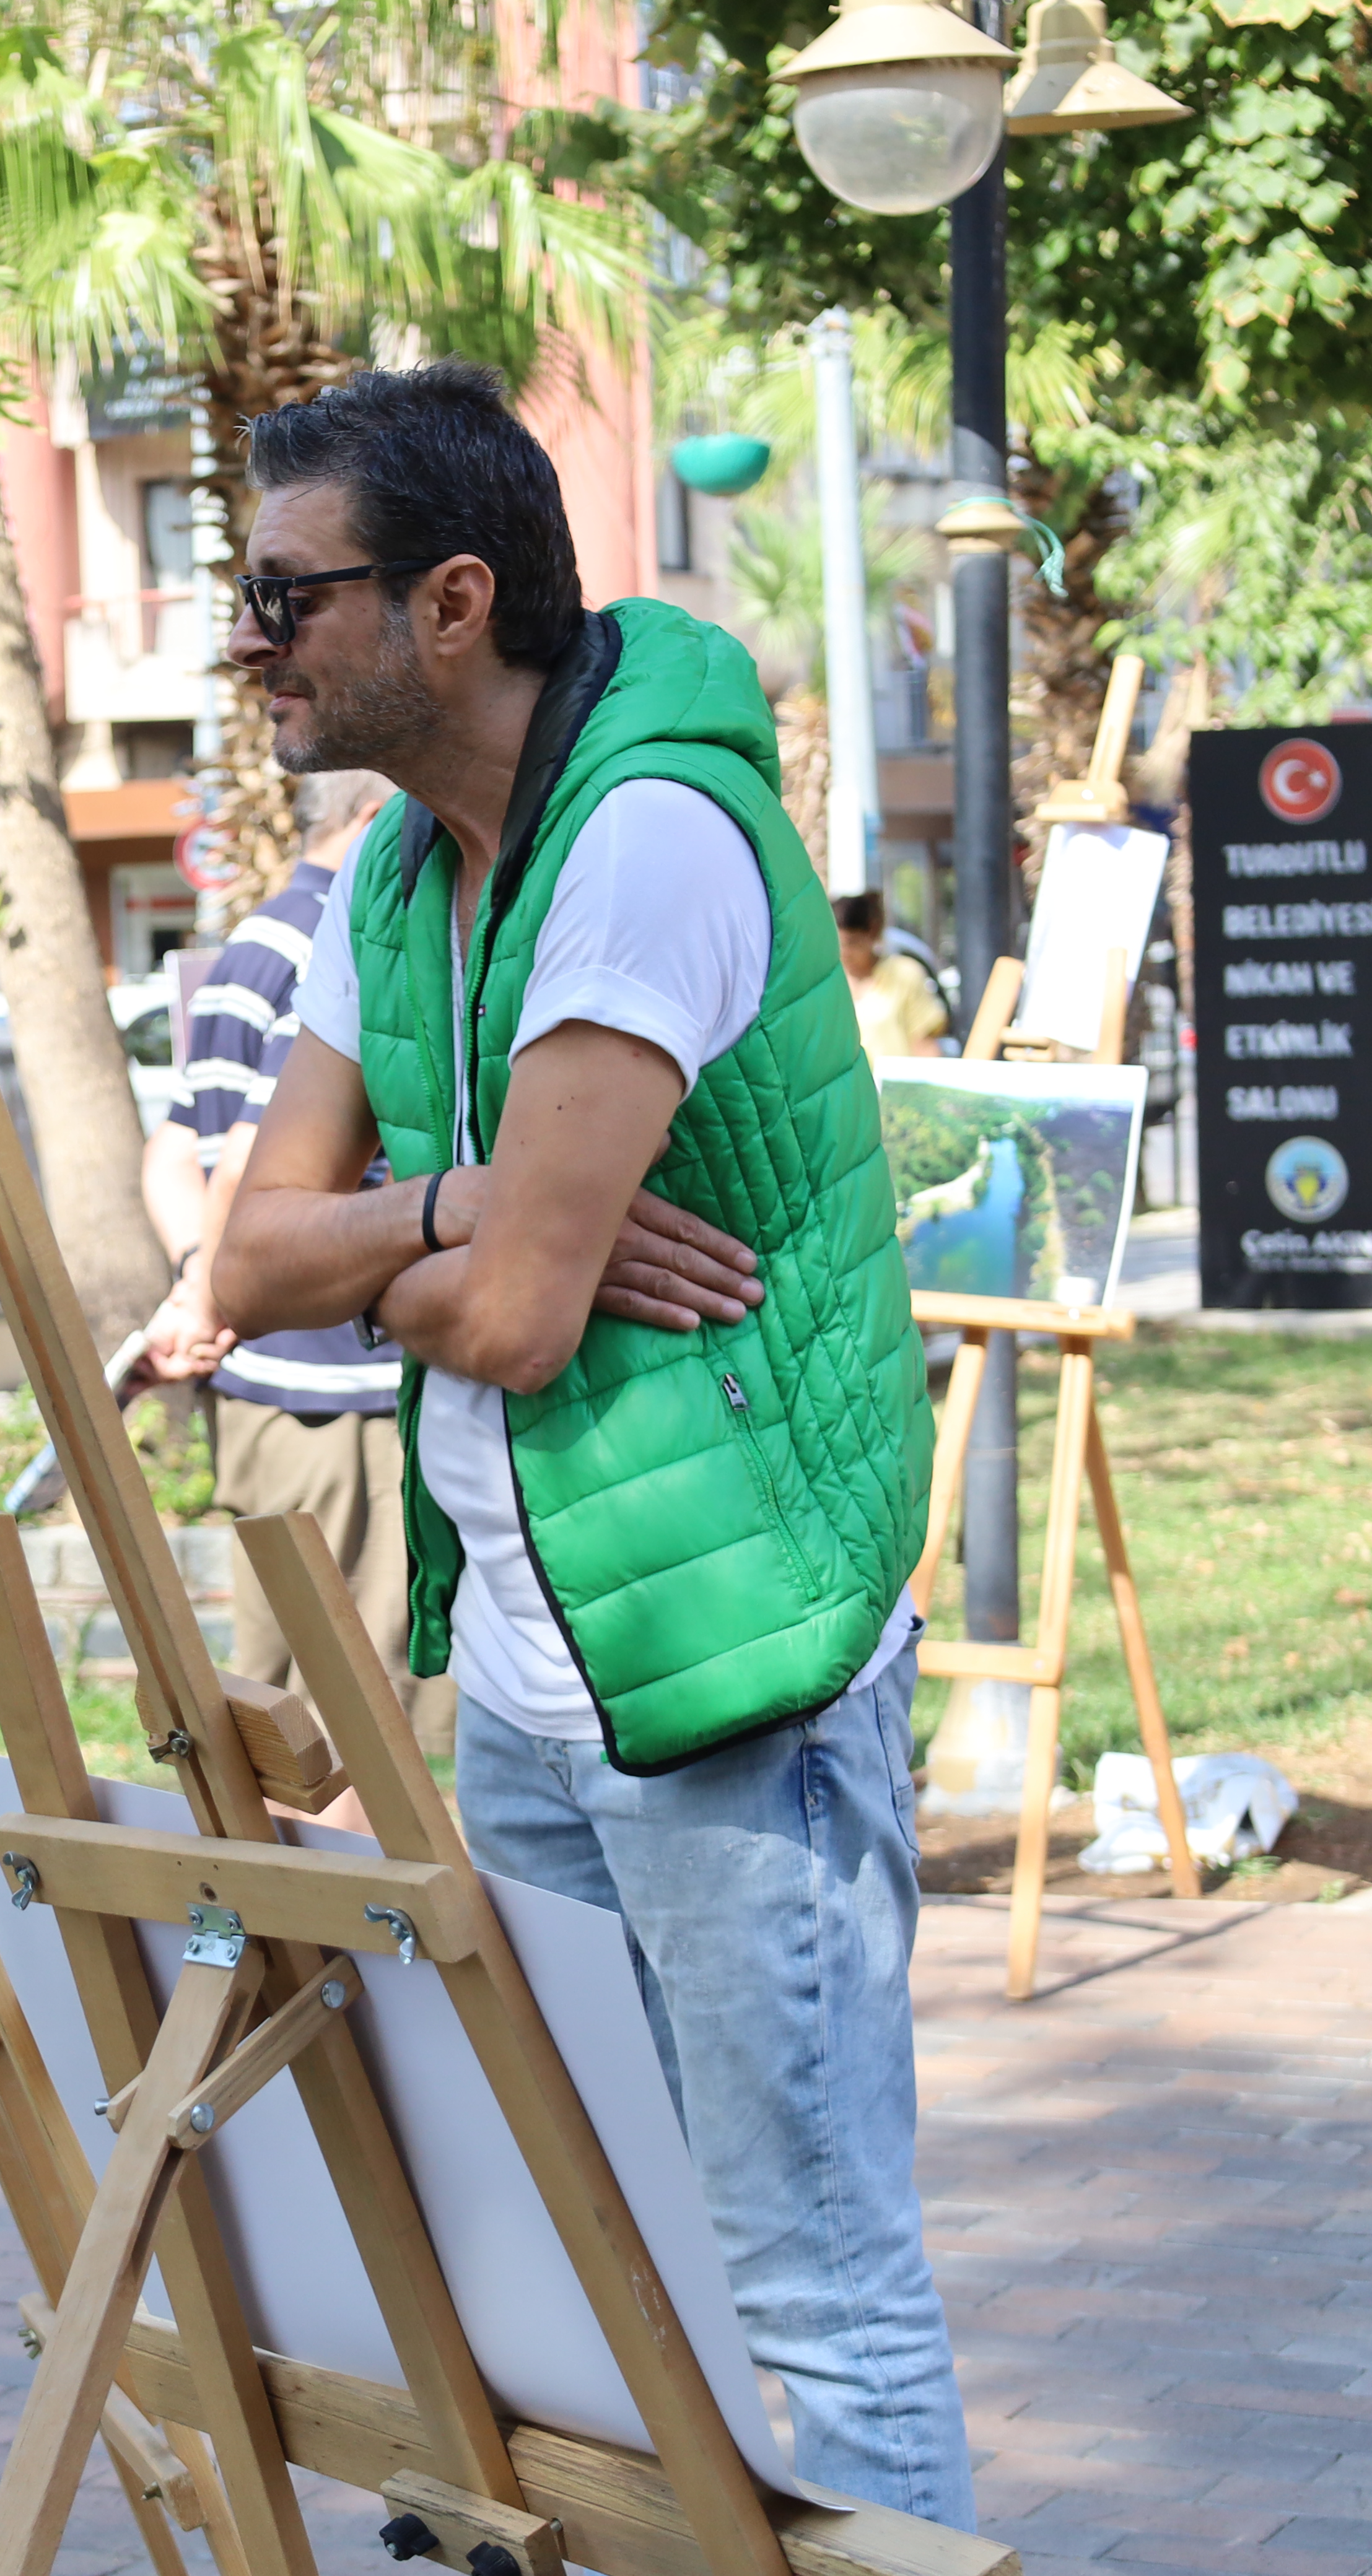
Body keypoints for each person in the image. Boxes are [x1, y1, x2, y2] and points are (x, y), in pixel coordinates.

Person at [204, 363, 965, 2522]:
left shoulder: (641, 836)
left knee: (810, 2283)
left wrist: (465, 1261)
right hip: (536, 1676)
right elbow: (242, 1264)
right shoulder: (398, 873)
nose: (247, 641)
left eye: (287, 597)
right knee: (593, 2255)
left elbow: (520, 1326)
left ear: (454, 604)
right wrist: (463, 1204)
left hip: (728, 1660)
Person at [139, 768, 448, 1742]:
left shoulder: (252, 939)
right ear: (373, 817)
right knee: (356, 1728)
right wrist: (209, 1291)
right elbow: (251, 1164)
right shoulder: (346, 933)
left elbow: (174, 1147)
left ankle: (275, 1894)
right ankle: (342, 1902)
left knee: (276, 1709)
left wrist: (199, 1277)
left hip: (267, 1394)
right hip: (342, 1395)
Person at [836, 888, 949, 1058]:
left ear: (872, 933)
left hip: (891, 1082)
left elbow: (924, 1044)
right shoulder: (828, 980)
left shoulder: (904, 974)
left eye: (852, 943)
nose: (845, 953)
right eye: (838, 945)